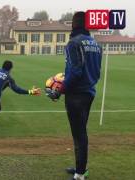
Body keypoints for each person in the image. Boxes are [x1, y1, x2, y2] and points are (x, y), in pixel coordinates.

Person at [46, 12, 102, 180]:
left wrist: (59, 91)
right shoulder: (96, 44)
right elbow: (96, 72)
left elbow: (76, 71)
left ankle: (80, 173)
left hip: (76, 96)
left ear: (73, 25)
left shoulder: (73, 43)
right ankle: (80, 167)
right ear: (87, 25)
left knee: (79, 134)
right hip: (89, 93)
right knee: (81, 132)